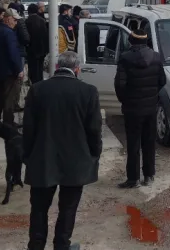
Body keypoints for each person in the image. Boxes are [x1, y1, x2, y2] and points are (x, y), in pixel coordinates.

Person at [23, 51, 102, 250]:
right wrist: (94, 155)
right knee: (68, 208)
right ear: (77, 70)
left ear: (56, 67)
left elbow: (28, 129)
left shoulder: (38, 90)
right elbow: (94, 130)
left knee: (39, 209)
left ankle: (36, 246)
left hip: (43, 158)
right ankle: (61, 245)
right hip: (75, 161)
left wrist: (28, 156)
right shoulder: (88, 91)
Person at [115, 29, 166, 188]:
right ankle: (149, 175)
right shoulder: (156, 57)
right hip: (150, 108)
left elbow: (120, 85)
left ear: (131, 41)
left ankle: (133, 179)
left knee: (133, 144)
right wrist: (152, 96)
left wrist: (126, 101)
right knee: (149, 143)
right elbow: (162, 81)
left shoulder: (125, 58)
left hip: (132, 109)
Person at [0, 8, 24, 127]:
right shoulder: (9, 33)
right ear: (8, 19)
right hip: (9, 71)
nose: (16, 22)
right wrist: (19, 69)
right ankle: (8, 122)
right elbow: (13, 53)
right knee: (9, 97)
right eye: (15, 20)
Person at [26, 4, 49, 84]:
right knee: (40, 68)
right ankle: (40, 82)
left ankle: (33, 83)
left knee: (32, 68)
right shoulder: (42, 20)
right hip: (42, 49)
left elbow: (27, 37)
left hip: (31, 50)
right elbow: (46, 35)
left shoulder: (28, 21)